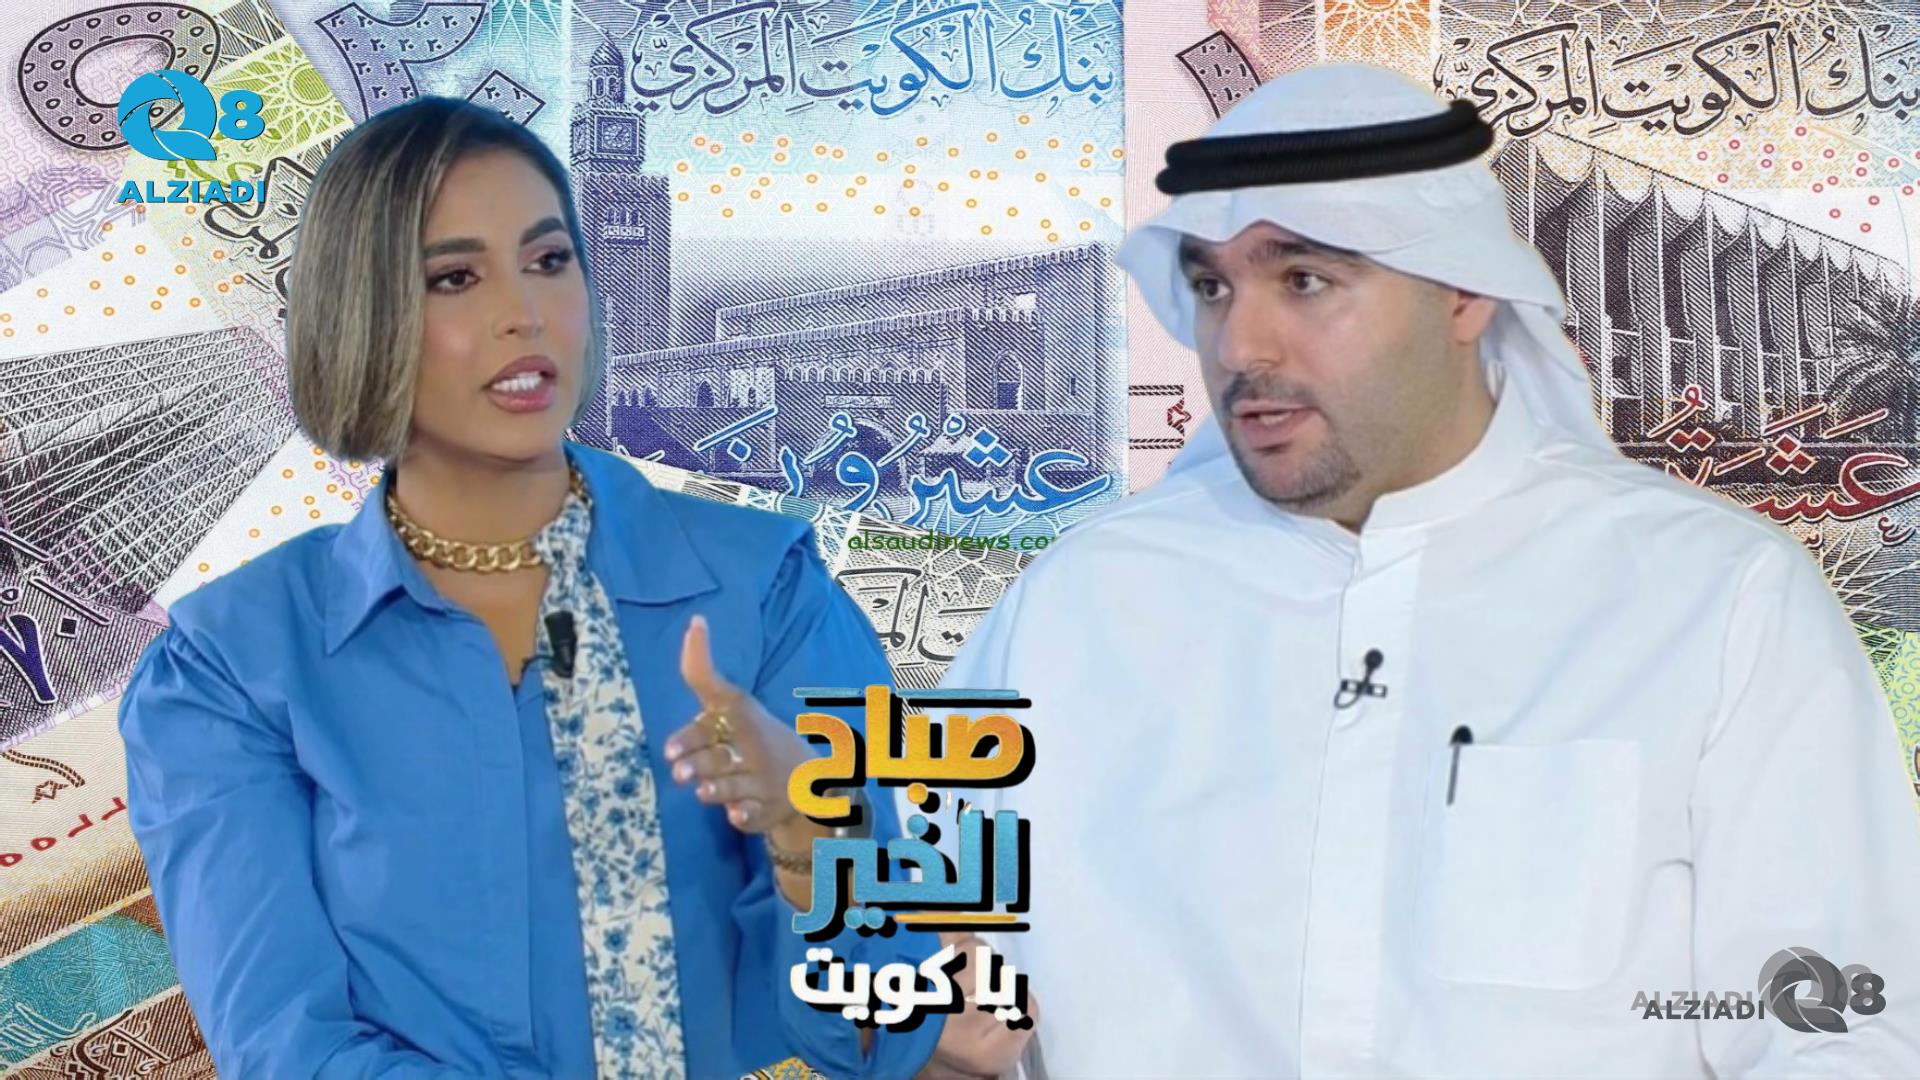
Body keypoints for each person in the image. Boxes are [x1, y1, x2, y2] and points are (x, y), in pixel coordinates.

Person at [930, 64, 1920, 1076]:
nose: (1239, 344)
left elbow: (1842, 1031)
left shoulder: (1713, 598)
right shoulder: (1079, 604)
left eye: (1304, 280)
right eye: (1213, 286)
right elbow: (923, 982)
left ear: (1462, 293)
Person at [118, 97, 1029, 1079]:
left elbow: (888, 1037)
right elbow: (285, 1047)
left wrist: (811, 828)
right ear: (363, 314)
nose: (526, 313)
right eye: (455, 277)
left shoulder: (770, 592)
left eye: (550, 261)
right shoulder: (232, 665)